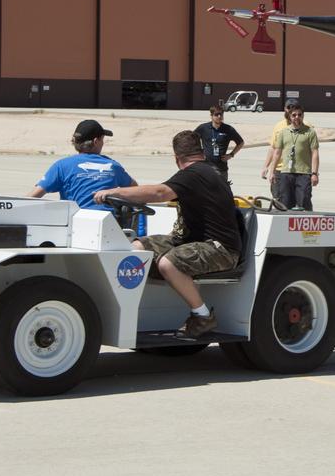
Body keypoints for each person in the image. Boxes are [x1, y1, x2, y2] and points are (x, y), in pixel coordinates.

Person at [93, 130, 241, 339]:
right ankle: (131, 311)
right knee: (136, 249)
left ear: (177, 158)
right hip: (192, 240)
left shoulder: (195, 173)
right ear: (201, 152)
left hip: (220, 249)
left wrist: (115, 191)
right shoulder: (207, 170)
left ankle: (203, 316)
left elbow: (160, 193)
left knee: (168, 263)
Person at [28, 119, 136, 211]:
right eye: (102, 140)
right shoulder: (112, 166)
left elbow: (33, 197)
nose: (103, 143)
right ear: (95, 141)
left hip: (75, 224)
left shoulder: (61, 166)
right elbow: (135, 189)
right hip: (109, 226)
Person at [271, 106, 319, 210]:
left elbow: (315, 153)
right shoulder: (283, 132)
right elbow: (277, 153)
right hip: (286, 173)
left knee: (304, 201)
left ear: (303, 116)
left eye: (299, 115)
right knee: (285, 203)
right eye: (294, 115)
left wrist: (314, 173)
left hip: (304, 173)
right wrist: (272, 171)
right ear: (289, 116)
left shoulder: (310, 132)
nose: (297, 117)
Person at [261, 100, 310, 195]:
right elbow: (273, 148)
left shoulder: (307, 126)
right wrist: (266, 166)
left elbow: (312, 151)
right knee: (279, 198)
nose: (290, 110)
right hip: (280, 169)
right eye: (288, 108)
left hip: (299, 170)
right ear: (285, 109)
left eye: (293, 108)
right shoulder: (279, 126)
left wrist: (313, 172)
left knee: (301, 200)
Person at [195, 103, 244, 180]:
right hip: (206, 168)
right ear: (211, 116)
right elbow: (192, 139)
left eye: (221, 114)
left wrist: (231, 154)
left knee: (222, 191)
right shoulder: (203, 128)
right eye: (216, 114)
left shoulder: (228, 129)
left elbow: (241, 143)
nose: (219, 116)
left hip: (221, 169)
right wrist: (199, 152)